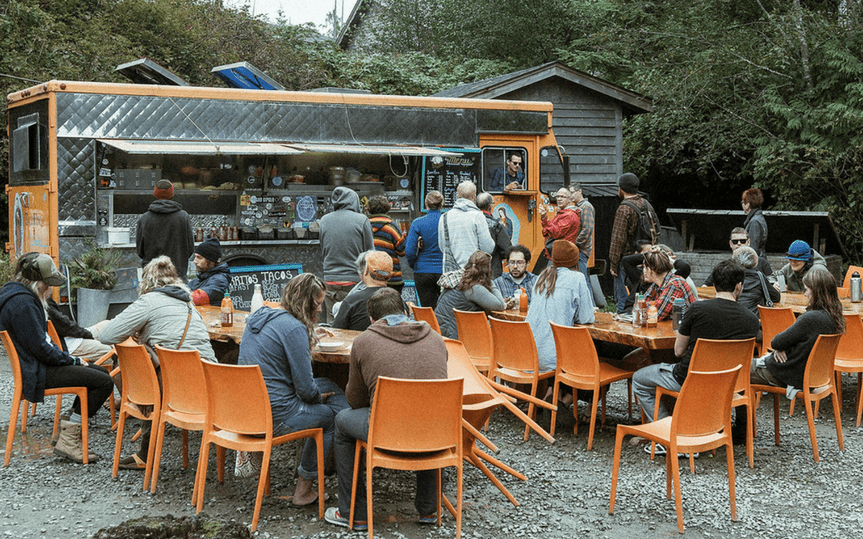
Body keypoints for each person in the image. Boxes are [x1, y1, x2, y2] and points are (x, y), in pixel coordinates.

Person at [324, 287, 448, 530]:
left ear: (372, 320)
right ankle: (429, 510)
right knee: (426, 414)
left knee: (341, 421)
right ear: (405, 311)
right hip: (436, 432)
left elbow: (355, 402)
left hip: (386, 431)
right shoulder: (436, 338)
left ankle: (353, 514)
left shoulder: (363, 342)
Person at [239, 273, 348, 507]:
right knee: (329, 417)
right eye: (317, 304)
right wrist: (319, 399)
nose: (320, 310)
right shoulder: (294, 328)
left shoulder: (259, 317)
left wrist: (319, 394)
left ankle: (347, 437)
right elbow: (307, 391)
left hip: (248, 409)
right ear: (306, 303)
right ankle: (305, 490)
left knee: (330, 386)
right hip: (275, 415)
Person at [99, 256, 216, 469]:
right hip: (208, 383)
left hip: (175, 387)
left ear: (146, 283)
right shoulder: (189, 303)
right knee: (154, 363)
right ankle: (147, 442)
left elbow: (106, 335)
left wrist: (140, 335)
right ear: (175, 280)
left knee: (128, 367)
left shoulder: (149, 301)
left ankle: (146, 445)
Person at [0, 253, 114, 463]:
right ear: (38, 282)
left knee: (98, 372)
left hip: (35, 366)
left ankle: (68, 426)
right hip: (36, 371)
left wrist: (69, 359)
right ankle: (69, 439)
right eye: (49, 283)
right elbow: (42, 348)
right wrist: (72, 360)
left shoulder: (14, 293)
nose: (51, 289)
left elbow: (41, 345)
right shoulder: (23, 304)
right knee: (103, 381)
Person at [632, 260, 760, 435]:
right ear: (739, 286)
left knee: (639, 378)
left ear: (714, 284)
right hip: (729, 383)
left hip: (691, 379)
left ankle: (667, 433)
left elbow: (678, 351)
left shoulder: (697, 309)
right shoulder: (752, 319)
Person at [751, 266, 846, 391]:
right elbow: (785, 342)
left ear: (817, 292)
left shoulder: (811, 318)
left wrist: (782, 346)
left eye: (807, 290)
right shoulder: (834, 316)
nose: (805, 294)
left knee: (738, 368)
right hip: (810, 375)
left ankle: (732, 408)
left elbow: (776, 342)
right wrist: (782, 347)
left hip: (786, 374)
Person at [526, 241, 595, 373]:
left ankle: (557, 392)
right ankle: (569, 393)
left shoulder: (542, 276)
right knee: (593, 354)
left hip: (529, 354)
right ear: (574, 260)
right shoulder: (577, 278)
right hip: (553, 358)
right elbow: (586, 317)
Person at [320, 186, 374, 323]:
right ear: (354, 201)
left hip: (330, 280)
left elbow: (323, 248)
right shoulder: (362, 220)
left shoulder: (324, 220)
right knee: (355, 322)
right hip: (354, 280)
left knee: (333, 323)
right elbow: (370, 253)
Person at [434, 251, 505, 339]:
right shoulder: (473, 288)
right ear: (487, 270)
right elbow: (500, 305)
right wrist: (490, 281)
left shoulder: (457, 279)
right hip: (453, 336)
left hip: (440, 332)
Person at [609, 173, 651, 313]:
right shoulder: (646, 204)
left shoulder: (624, 208)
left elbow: (618, 239)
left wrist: (614, 264)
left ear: (621, 189)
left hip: (626, 259)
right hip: (645, 257)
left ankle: (622, 319)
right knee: (641, 293)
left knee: (623, 297)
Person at [136, 179, 194, 281]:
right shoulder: (183, 217)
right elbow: (190, 248)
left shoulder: (145, 218)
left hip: (152, 277)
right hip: (177, 276)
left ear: (155, 194)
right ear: (171, 194)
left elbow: (140, 251)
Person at [333, 251, 402, 332]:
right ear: (390, 276)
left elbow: (336, 332)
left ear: (366, 271)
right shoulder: (400, 302)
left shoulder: (351, 301)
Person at [437, 181, 494, 271]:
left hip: (452, 275)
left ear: (457, 196)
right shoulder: (478, 216)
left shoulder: (444, 217)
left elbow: (442, 247)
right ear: (474, 197)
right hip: (474, 272)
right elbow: (487, 248)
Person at [404, 190, 444, 308]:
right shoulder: (447, 222)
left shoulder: (418, 223)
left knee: (428, 310)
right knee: (444, 309)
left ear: (426, 204)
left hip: (423, 271)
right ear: (442, 205)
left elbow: (409, 251)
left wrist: (414, 264)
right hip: (444, 271)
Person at [640, 247, 696, 321]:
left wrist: (645, 306)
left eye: (644, 267)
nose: (643, 271)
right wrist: (649, 306)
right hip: (671, 328)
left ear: (649, 270)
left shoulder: (675, 284)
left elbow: (657, 315)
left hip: (685, 330)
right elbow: (638, 306)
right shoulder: (657, 284)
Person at [703, 227, 773, 286]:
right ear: (730, 244)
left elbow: (773, 283)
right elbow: (705, 285)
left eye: (743, 241)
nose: (739, 244)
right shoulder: (724, 266)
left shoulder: (762, 262)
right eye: (735, 242)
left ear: (748, 242)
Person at [367, 195, 406, 292]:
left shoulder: (363, 225)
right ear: (387, 208)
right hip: (391, 277)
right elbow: (402, 251)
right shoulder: (391, 226)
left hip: (369, 277)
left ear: (369, 209)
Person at [537, 188, 580, 273]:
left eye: (562, 197)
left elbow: (555, 232)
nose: (559, 199)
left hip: (561, 257)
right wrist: (545, 221)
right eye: (557, 196)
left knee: (552, 281)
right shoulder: (563, 213)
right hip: (557, 254)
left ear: (569, 199)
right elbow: (546, 231)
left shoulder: (569, 215)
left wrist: (545, 219)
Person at [732, 246, 781, 317]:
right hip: (754, 318)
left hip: (733, 316)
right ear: (755, 261)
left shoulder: (730, 275)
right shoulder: (759, 276)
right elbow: (776, 297)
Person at [476, 192, 512, 279]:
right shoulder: (496, 225)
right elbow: (507, 249)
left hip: (473, 270)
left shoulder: (470, 222)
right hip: (492, 271)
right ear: (490, 206)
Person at [494, 244, 539, 309]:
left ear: (527, 263)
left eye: (519, 262)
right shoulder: (498, 283)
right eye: (512, 262)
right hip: (506, 318)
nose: (515, 266)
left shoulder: (536, 281)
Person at [189, 237, 230, 306]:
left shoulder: (220, 280)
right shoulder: (198, 280)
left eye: (199, 258)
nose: (194, 261)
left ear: (211, 261)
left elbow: (198, 298)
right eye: (195, 257)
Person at [569, 182, 595, 286]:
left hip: (581, 249)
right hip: (578, 249)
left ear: (580, 191)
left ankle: (589, 303)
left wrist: (575, 243)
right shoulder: (577, 206)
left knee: (583, 281)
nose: (571, 196)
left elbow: (587, 229)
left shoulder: (586, 207)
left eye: (572, 192)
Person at [742, 188, 768, 258]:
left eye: (743, 202)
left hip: (756, 261)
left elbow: (753, 248)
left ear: (747, 204)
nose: (742, 205)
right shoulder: (759, 218)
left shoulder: (754, 221)